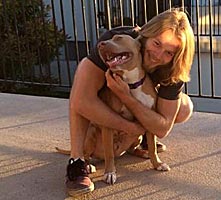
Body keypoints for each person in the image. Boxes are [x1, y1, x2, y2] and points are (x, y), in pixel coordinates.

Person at [65, 8, 195, 197]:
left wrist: (126, 97)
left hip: (134, 101)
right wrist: (130, 127)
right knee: (82, 91)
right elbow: (80, 100)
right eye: (156, 43)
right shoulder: (118, 41)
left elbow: (162, 128)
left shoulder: (174, 67)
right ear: (146, 35)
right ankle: (76, 161)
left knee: (183, 107)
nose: (158, 55)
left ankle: (139, 144)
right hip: (102, 108)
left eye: (168, 52)